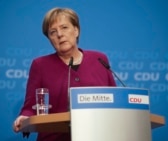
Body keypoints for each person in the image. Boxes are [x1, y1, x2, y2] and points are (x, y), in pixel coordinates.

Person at [13, 7, 116, 141]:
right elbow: (30, 107)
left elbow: (115, 101)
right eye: (53, 32)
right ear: (49, 39)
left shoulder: (99, 60)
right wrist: (25, 117)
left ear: (76, 30)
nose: (60, 34)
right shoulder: (40, 65)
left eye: (64, 27)